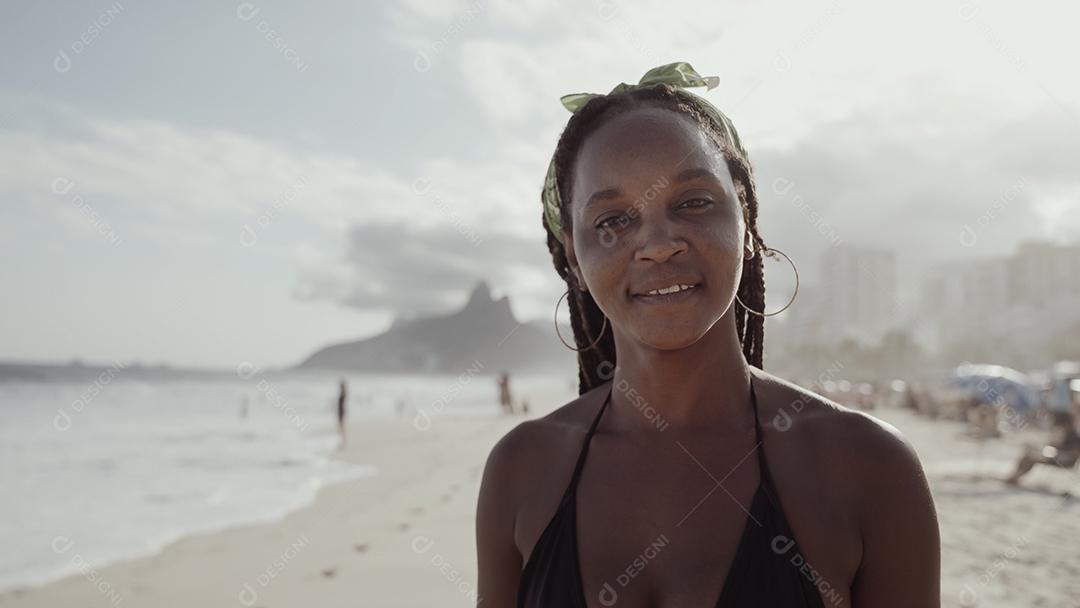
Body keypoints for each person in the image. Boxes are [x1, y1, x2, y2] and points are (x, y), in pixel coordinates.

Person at [475, 62, 939, 607]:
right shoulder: (522, 471)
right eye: (612, 220)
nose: (657, 243)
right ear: (574, 259)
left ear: (746, 223)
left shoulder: (868, 466)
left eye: (693, 202)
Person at [1006, 377, 1080, 484]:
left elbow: (1074, 452)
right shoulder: (1066, 426)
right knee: (1030, 452)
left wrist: (1058, 452)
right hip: (1057, 454)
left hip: (1064, 459)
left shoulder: (1074, 430)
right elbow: (1056, 443)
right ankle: (1015, 477)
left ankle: (1014, 478)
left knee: (1032, 456)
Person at [336, 379, 347, 449]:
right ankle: (342, 441)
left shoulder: (343, 394)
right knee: (340, 427)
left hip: (341, 411)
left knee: (341, 427)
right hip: (340, 411)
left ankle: (343, 442)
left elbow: (342, 404)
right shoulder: (343, 393)